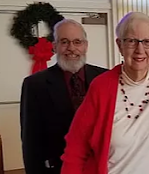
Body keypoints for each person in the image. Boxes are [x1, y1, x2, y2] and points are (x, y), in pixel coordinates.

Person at [60, 12, 149, 174]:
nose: (140, 50)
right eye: (132, 41)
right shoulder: (101, 86)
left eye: (147, 42)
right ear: (120, 45)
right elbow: (76, 148)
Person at [20, 19, 107, 174]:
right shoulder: (35, 84)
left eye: (77, 42)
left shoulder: (105, 78)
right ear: (55, 46)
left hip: (100, 167)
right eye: (64, 42)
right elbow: (30, 142)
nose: (71, 48)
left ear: (85, 46)